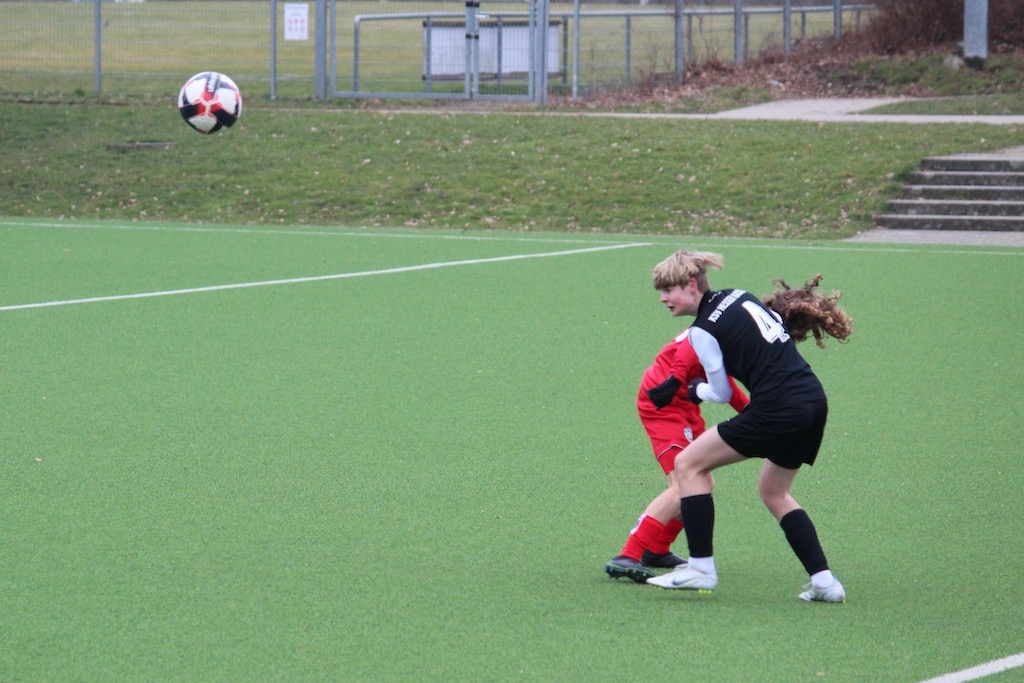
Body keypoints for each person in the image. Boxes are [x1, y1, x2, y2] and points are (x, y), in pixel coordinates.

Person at [643, 250, 853, 603]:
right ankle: (825, 582)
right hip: (812, 400)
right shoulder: (739, 295)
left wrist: (694, 390)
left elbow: (721, 392)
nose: (663, 298)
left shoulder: (702, 331)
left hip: (777, 407)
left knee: (687, 464)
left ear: (692, 285)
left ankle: (701, 568)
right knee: (774, 492)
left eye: (668, 290)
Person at [605, 327, 750, 584]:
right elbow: (699, 359)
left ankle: (657, 550)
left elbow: (722, 378)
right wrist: (756, 415)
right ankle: (628, 555)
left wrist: (754, 415)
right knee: (684, 485)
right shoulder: (725, 327)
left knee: (703, 482)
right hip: (663, 403)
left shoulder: (729, 324)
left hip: (686, 403)